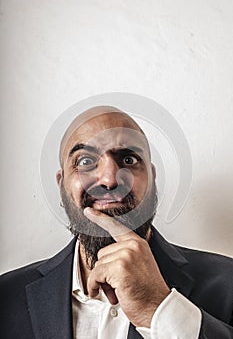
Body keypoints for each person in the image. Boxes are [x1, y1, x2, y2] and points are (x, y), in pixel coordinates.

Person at [1, 106, 233, 339]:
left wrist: (158, 309)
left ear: (152, 178)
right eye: (85, 161)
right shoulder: (7, 295)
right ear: (62, 184)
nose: (110, 180)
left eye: (129, 159)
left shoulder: (227, 282)